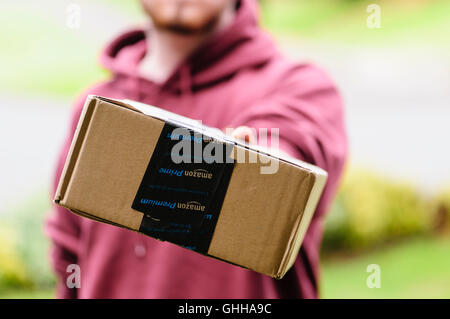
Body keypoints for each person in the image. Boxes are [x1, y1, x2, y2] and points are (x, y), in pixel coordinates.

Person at [46, 0, 347, 298]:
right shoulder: (96, 107)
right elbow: (69, 258)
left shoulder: (299, 86)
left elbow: (288, 153)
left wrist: (252, 165)